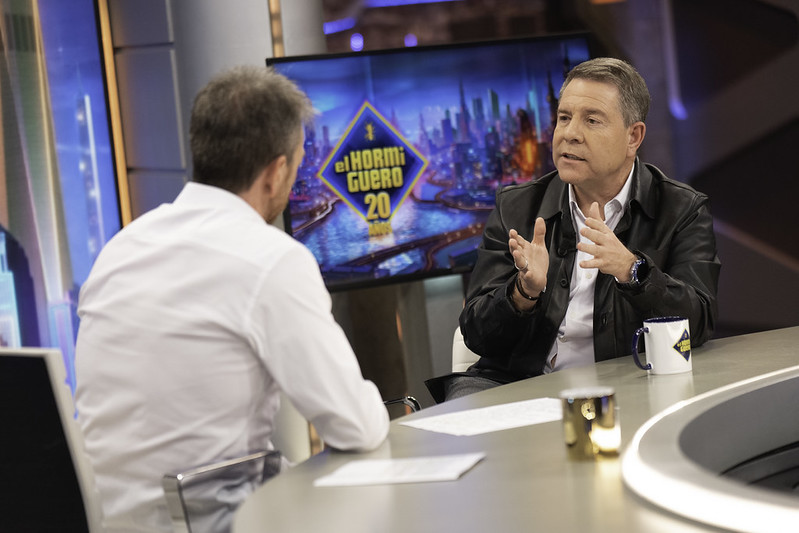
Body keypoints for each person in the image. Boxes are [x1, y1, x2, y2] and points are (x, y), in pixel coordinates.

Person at [75, 66, 389, 532]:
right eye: (298, 165)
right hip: (216, 522)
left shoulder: (119, 250)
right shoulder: (272, 258)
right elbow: (356, 426)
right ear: (275, 172)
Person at [428, 57, 720, 402]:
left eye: (591, 120)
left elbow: (698, 324)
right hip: (517, 384)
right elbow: (477, 336)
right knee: (462, 417)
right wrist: (523, 293)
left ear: (633, 137)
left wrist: (633, 271)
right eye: (564, 118)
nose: (569, 134)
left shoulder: (681, 210)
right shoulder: (516, 207)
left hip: (629, 383)